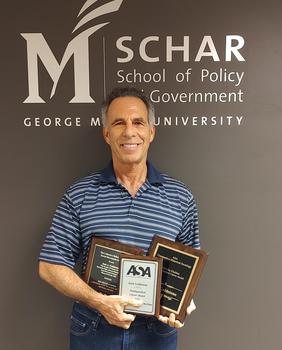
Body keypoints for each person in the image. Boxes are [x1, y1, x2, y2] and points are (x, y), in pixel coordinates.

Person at [38, 86, 200, 350]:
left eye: (138, 122)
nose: (129, 132)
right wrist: (100, 302)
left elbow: (188, 269)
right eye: (118, 123)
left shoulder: (181, 197)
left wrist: (183, 302)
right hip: (94, 327)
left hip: (156, 333)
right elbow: (50, 266)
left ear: (151, 132)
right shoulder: (80, 194)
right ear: (106, 133)